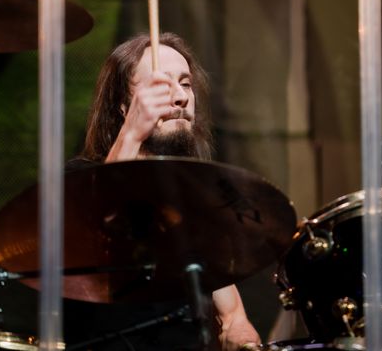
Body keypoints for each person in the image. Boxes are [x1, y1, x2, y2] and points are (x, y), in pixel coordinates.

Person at [69, 32, 261, 351]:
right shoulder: (78, 179)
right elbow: (99, 225)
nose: (181, 96)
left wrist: (240, 331)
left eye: (185, 83)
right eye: (160, 87)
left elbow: (232, 315)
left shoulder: (194, 198)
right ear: (123, 105)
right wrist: (132, 133)